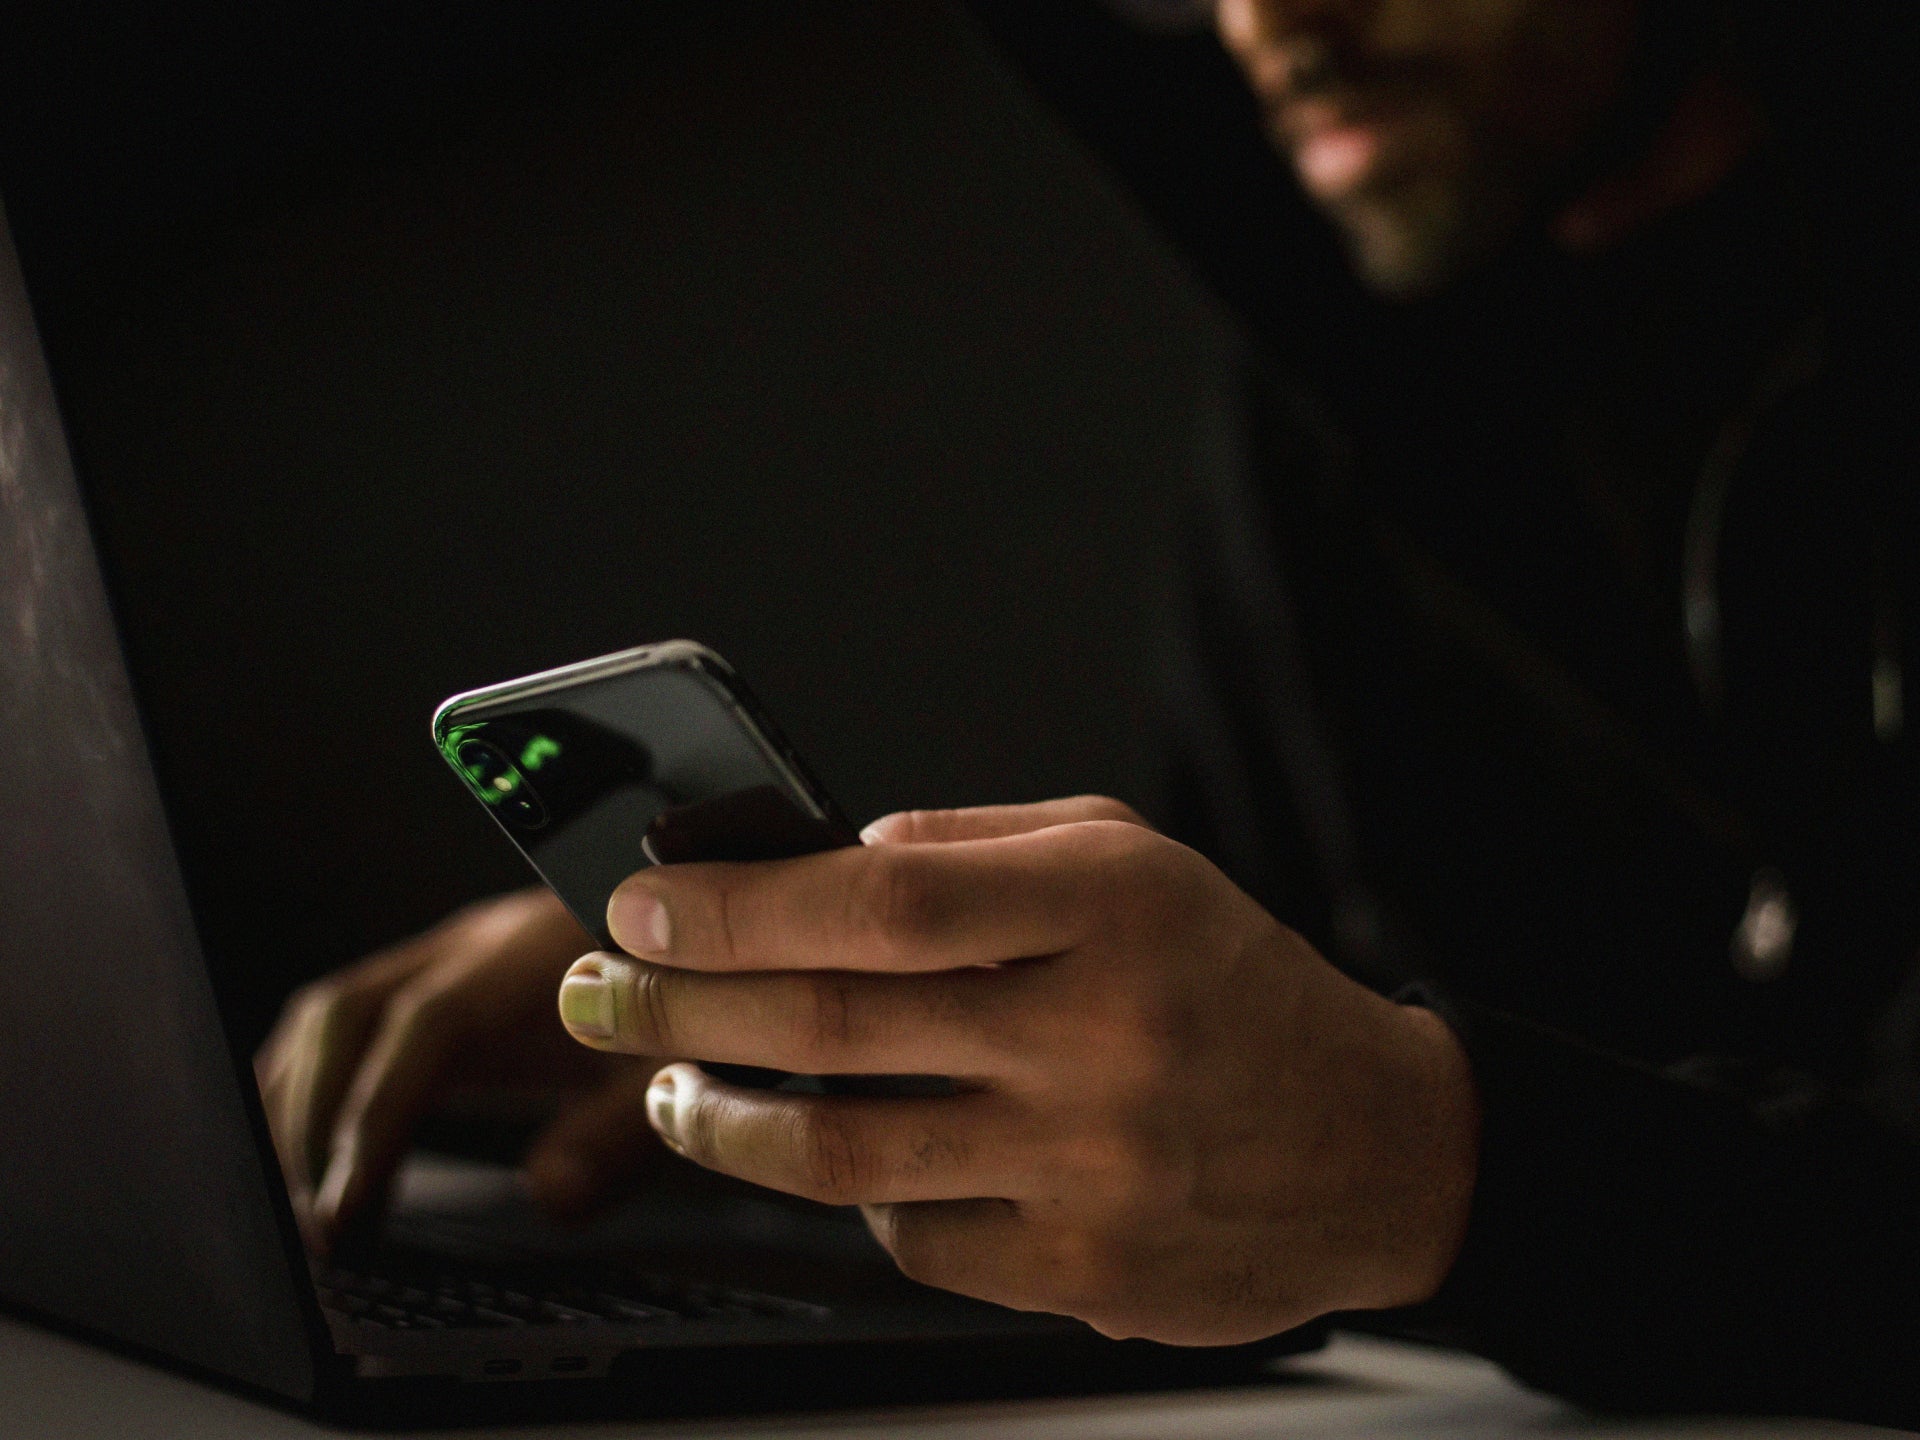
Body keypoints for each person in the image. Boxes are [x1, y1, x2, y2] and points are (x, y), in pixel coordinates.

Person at [255, 0, 1920, 1424]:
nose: (1272, 26)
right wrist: (813, 1038)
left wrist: (1445, 1166)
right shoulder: (1323, 414)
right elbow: (1216, 1101)